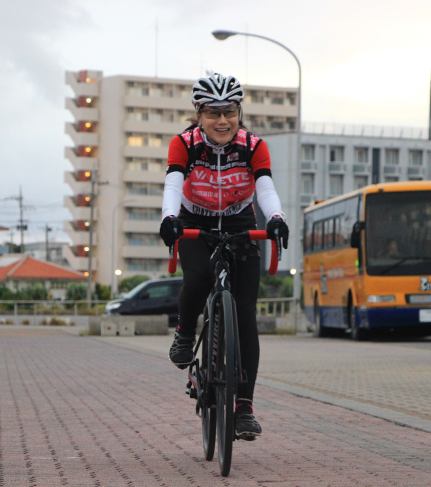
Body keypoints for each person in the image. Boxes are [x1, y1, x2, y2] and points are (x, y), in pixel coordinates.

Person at [159, 73, 289, 440]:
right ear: (198, 114)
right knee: (198, 278)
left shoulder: (253, 146)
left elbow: (265, 188)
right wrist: (169, 218)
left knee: (245, 314)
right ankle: (185, 332)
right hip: (194, 221)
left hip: (240, 223)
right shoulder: (184, 144)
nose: (222, 121)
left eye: (229, 112)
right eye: (213, 112)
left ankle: (244, 405)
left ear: (238, 112)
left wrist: (277, 219)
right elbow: (172, 183)